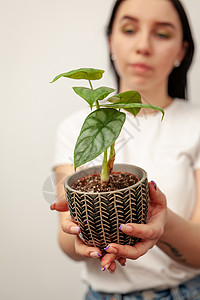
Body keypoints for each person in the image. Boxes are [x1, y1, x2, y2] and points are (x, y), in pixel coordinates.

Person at [51, 0, 200, 299]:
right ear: (110, 40)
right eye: (130, 29)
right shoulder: (73, 127)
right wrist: (82, 237)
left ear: (182, 51)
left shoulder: (195, 124)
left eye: (162, 34)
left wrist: (164, 225)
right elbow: (65, 237)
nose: (143, 46)